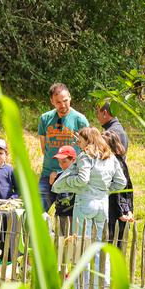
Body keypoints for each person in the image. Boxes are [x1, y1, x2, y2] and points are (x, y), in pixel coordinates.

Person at [52, 126, 126, 289]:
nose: (79, 143)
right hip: (102, 205)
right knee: (100, 244)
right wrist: (105, 190)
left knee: (82, 245)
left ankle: (83, 286)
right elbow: (121, 182)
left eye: (80, 140)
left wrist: (69, 184)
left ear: (88, 139)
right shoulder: (110, 157)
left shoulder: (86, 156)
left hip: (85, 203)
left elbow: (82, 179)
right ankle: (103, 285)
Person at [38, 83, 89, 212]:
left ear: (70, 98)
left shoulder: (80, 120)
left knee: (65, 218)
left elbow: (88, 149)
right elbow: (43, 148)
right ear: (52, 102)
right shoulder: (45, 119)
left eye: (65, 101)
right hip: (48, 174)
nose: (63, 105)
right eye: (58, 102)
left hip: (70, 176)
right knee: (36, 212)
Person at [103, 129, 133, 246]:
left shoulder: (117, 162)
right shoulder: (111, 161)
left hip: (115, 210)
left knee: (114, 243)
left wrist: (124, 210)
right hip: (111, 208)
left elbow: (123, 190)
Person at [50, 146, 77, 235]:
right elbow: (54, 195)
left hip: (72, 216)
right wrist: (51, 184)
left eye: (64, 161)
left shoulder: (78, 177)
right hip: (59, 214)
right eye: (59, 162)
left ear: (73, 160)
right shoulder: (58, 176)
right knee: (60, 242)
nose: (61, 165)